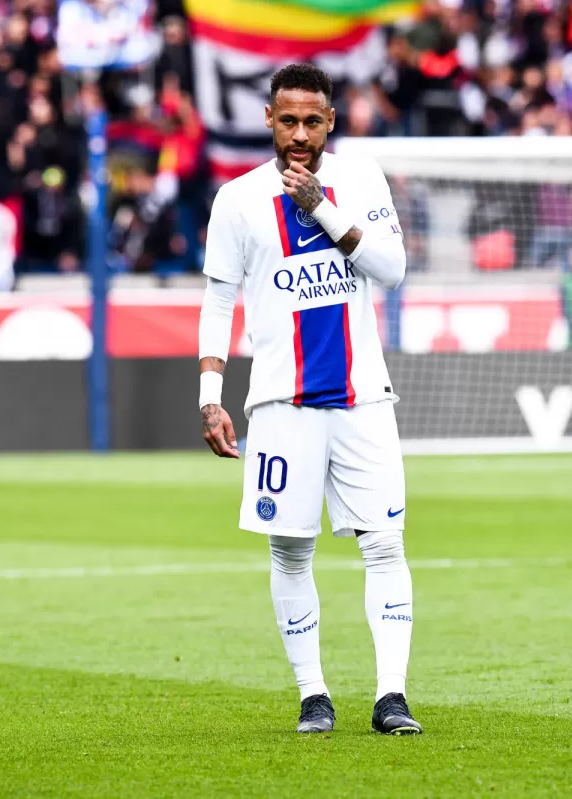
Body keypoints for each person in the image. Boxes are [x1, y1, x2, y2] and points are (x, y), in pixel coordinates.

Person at [197, 64, 418, 736]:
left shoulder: (361, 179)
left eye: (312, 121)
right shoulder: (236, 200)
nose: (299, 134)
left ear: (331, 120)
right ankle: (313, 693)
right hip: (280, 401)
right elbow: (218, 299)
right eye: (287, 120)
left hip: (362, 397)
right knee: (290, 551)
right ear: (268, 118)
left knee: (384, 543)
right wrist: (211, 392)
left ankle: (391, 696)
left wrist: (320, 206)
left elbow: (392, 268)